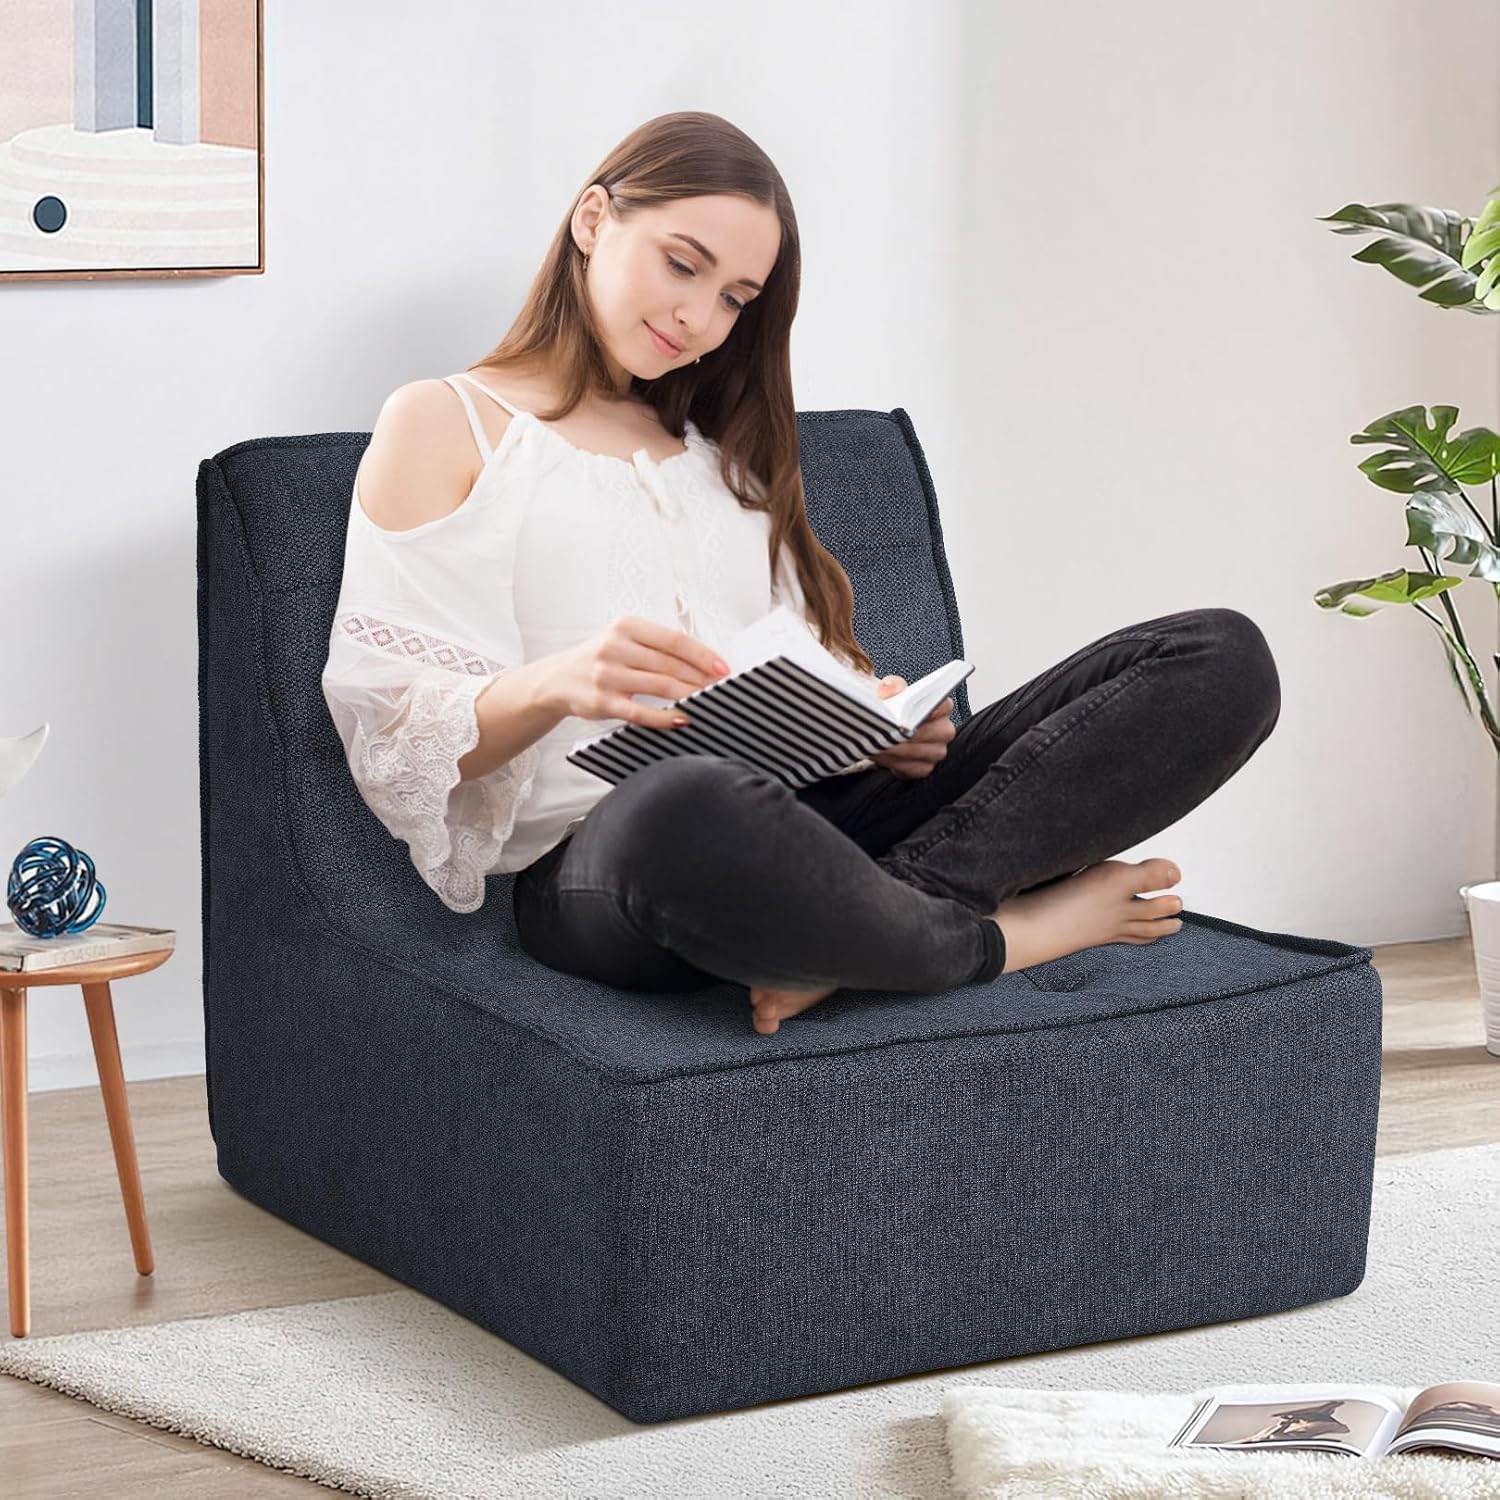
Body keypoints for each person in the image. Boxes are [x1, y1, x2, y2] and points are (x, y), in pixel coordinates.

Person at [321, 110, 1281, 1038]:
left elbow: (793, 675)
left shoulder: (727, 456)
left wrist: (879, 730)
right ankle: (1008, 937)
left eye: (737, 298)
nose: (700, 317)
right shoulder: (448, 423)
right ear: (593, 219)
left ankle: (869, 934)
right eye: (682, 265)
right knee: (686, 798)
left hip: (816, 829)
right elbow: (391, 731)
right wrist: (554, 682)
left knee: (1219, 658)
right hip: (621, 861)